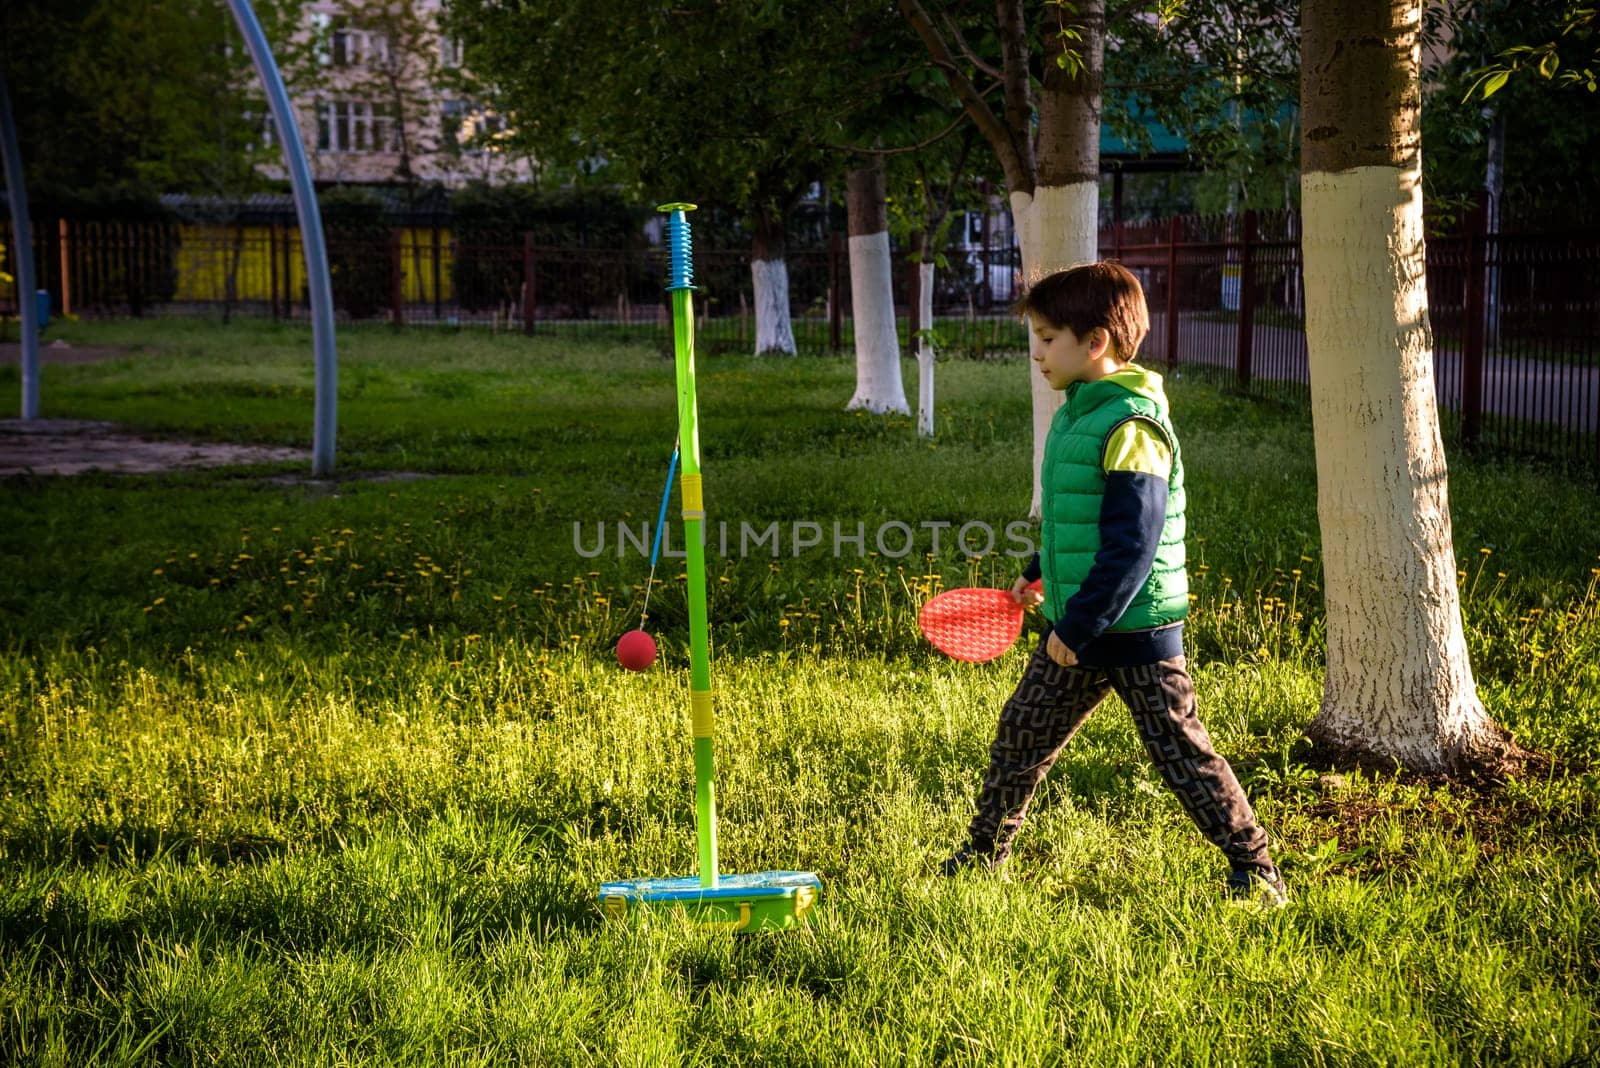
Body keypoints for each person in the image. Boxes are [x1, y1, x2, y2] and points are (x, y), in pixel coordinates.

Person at [941, 262, 1287, 905]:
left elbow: (1134, 545)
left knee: (1179, 753)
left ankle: (1255, 867)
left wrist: (1076, 629)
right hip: (1080, 620)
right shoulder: (1079, 411)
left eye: (1047, 338)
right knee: (1023, 731)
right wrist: (1040, 575)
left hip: (1134, 629)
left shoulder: (1132, 426)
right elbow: (1081, 517)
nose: (1037, 353)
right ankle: (983, 854)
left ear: (1094, 342)